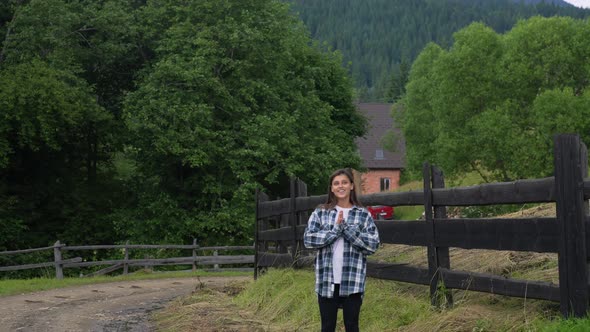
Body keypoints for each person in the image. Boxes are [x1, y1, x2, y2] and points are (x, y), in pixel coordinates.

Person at [303, 168, 380, 332]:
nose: (341, 186)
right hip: (327, 280)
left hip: (353, 280)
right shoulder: (321, 212)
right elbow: (308, 240)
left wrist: (346, 229)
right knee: (327, 327)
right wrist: (335, 231)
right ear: (331, 188)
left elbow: (372, 245)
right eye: (336, 183)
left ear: (352, 185)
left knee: (352, 326)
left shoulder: (363, 215)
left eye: (344, 182)